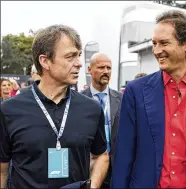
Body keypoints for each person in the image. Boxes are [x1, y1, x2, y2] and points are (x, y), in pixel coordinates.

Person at [111, 10, 186, 189]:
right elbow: (123, 155)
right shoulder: (136, 91)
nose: (157, 51)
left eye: (164, 43)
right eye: (154, 43)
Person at [0, 24, 109, 189]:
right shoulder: (9, 110)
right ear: (45, 61)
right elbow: (2, 170)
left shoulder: (91, 109)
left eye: (78, 55)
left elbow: (101, 156)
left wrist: (92, 186)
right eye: (70, 56)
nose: (79, 64)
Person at [81, 52, 122, 188]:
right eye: (101, 67)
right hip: (90, 166)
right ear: (89, 70)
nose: (106, 71)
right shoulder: (78, 101)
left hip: (116, 167)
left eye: (109, 68)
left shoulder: (122, 99)